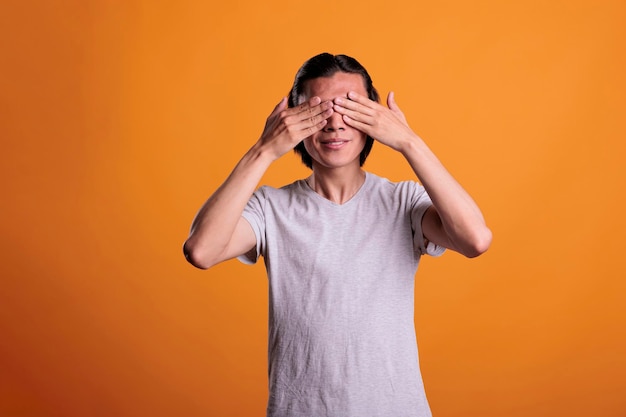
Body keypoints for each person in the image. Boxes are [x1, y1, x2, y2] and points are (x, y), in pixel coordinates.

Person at [183, 53, 492, 417]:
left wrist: (409, 142)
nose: (333, 124)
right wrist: (264, 150)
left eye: (351, 109)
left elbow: (475, 240)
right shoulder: (271, 207)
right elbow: (201, 250)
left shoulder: (402, 202)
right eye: (318, 111)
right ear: (294, 122)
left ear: (374, 119)